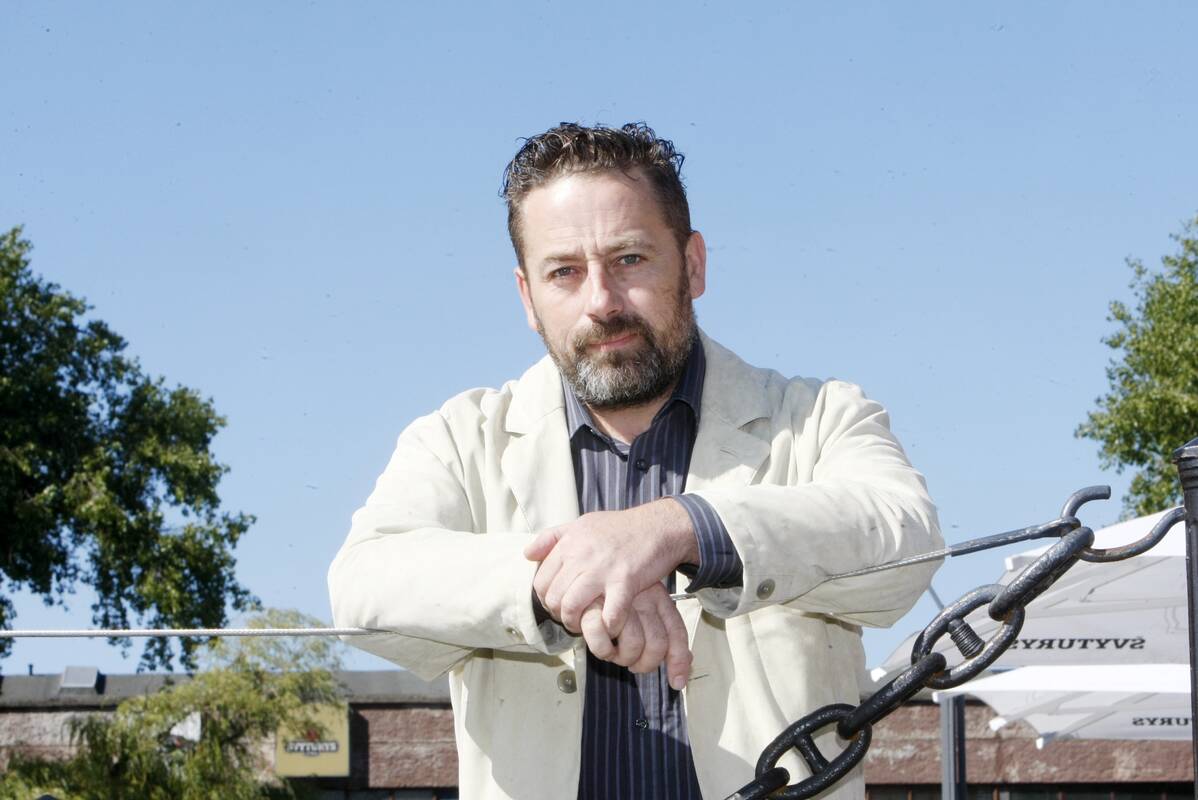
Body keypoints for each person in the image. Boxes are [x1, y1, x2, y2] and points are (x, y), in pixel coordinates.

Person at [328, 122, 942, 800]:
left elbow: (908, 540)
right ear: (528, 297)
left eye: (629, 259)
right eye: (564, 272)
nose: (601, 302)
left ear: (693, 265)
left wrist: (680, 528)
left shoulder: (821, 417)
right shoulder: (457, 439)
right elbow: (362, 587)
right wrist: (566, 581)